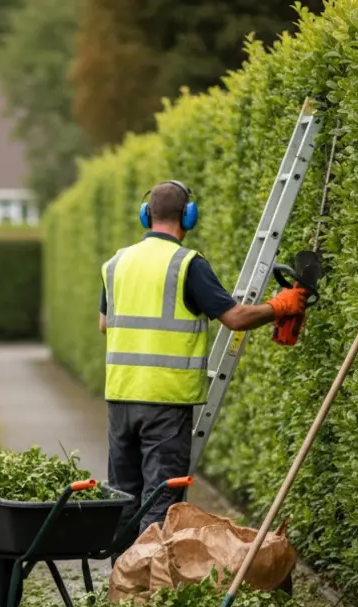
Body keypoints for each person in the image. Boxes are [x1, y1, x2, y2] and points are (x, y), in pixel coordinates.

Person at [101, 180, 306, 549]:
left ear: (146, 215)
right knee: (161, 503)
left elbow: (104, 324)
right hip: (167, 401)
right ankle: (148, 594)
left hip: (120, 397)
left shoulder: (116, 263)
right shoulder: (186, 265)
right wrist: (281, 306)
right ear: (188, 217)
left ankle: (121, 587)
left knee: (123, 498)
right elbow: (236, 318)